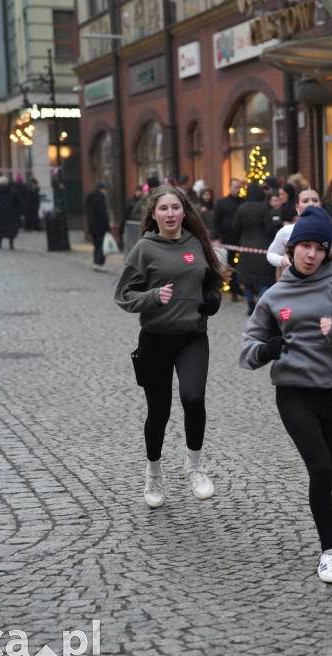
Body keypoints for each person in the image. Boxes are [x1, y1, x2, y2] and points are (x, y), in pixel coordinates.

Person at [240, 206, 332, 583]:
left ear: (326, 252)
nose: (310, 254)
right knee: (320, 470)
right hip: (293, 393)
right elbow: (247, 348)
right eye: (303, 246)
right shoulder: (275, 295)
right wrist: (265, 351)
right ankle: (329, 553)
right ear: (291, 248)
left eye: (318, 248)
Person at [114, 185, 230, 508]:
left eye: (175, 208)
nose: (170, 214)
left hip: (193, 336)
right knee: (159, 411)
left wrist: (213, 299)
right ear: (153, 214)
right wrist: (153, 297)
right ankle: (153, 473)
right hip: (155, 339)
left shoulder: (197, 243)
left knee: (193, 398)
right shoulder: (144, 249)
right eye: (163, 209)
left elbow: (212, 281)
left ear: (184, 212)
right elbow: (123, 295)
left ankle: (195, 466)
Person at [267, 188, 332, 277]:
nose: (311, 204)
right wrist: (283, 260)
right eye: (305, 201)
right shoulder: (286, 231)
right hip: (294, 286)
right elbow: (271, 254)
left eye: (315, 200)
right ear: (297, 207)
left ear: (320, 204)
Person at [231, 182, 277, 315]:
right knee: (265, 279)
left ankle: (250, 304)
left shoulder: (241, 208)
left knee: (247, 279)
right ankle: (261, 305)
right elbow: (269, 228)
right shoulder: (264, 208)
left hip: (246, 248)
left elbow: (235, 227)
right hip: (262, 248)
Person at [86, 182, 111, 271]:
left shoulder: (90, 198)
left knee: (96, 245)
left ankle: (95, 262)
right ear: (102, 189)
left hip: (92, 227)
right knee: (101, 245)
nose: (105, 192)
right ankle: (99, 263)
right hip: (100, 227)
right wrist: (107, 227)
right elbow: (103, 214)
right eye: (105, 190)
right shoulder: (99, 199)